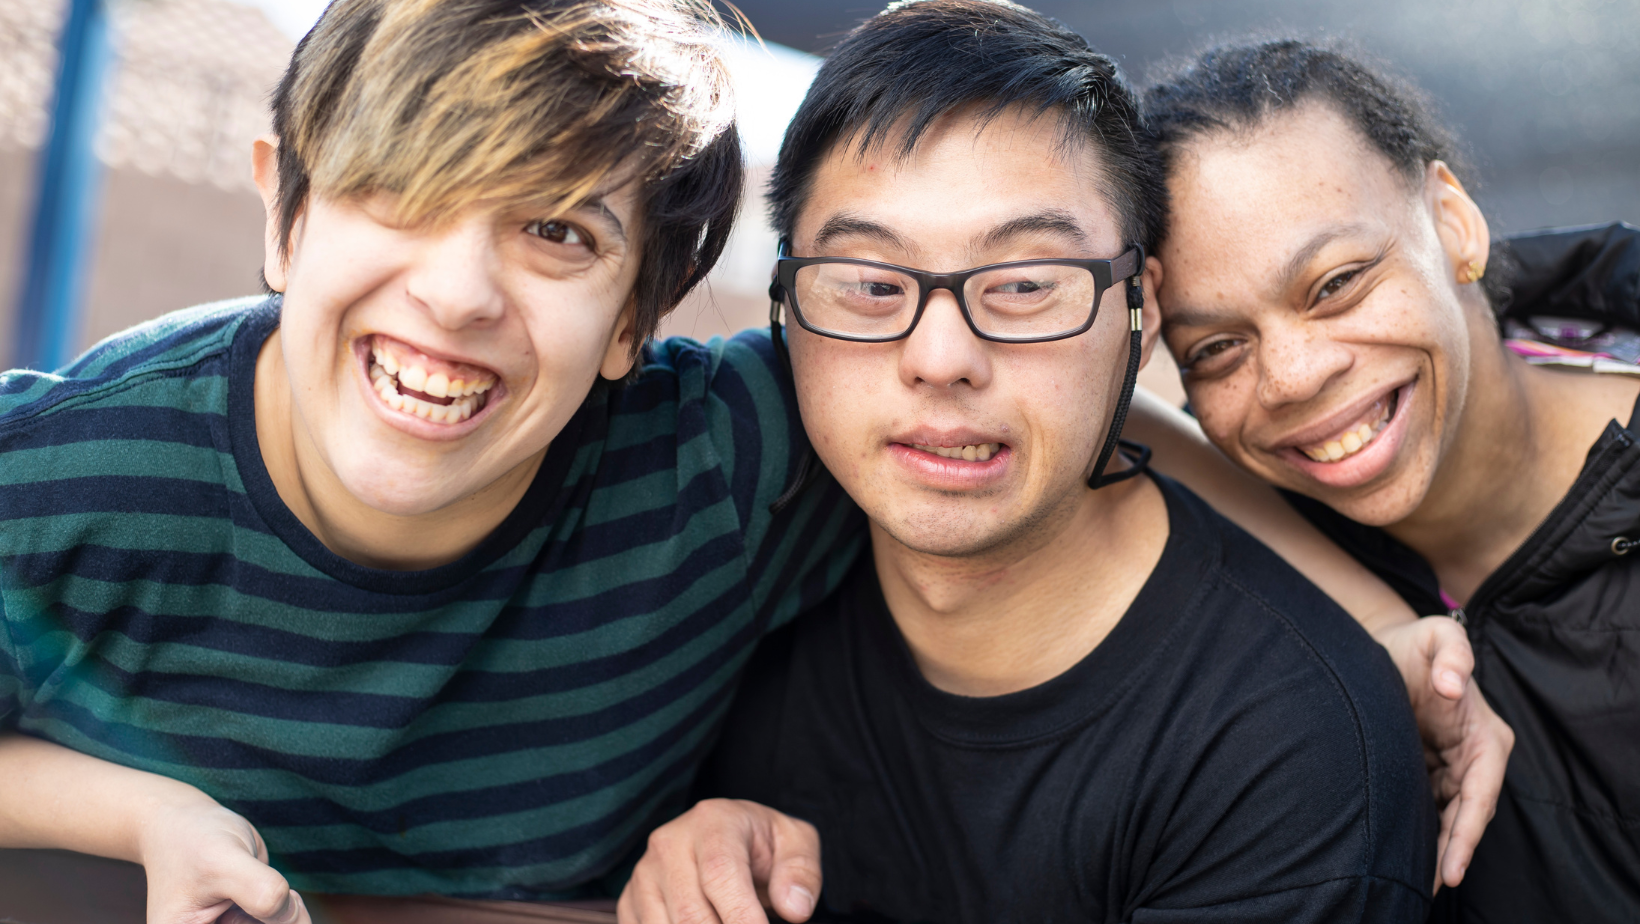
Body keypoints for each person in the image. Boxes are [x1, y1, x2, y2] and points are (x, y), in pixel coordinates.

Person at [0, 1, 867, 919]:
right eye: (404, 191)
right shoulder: (56, 479)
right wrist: (143, 814)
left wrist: (734, 818)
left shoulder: (725, 469)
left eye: (557, 230)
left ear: (633, 320)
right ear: (285, 218)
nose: (456, 297)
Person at [616, 4, 1441, 921]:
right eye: (871, 284)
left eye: (1022, 286)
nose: (940, 356)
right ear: (788, 307)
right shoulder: (743, 580)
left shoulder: (1287, 747)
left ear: (1143, 312)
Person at [1135, 39, 1640, 923]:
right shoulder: (1286, 538)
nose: (1291, 376)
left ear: (1454, 222)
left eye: (1334, 284)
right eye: (1215, 348)